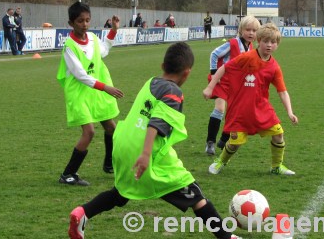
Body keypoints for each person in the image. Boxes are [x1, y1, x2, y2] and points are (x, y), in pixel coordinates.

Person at [68, 42, 241, 239]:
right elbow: (157, 123)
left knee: (121, 193)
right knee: (196, 197)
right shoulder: (173, 92)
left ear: (162, 66)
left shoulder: (151, 82)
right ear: (187, 73)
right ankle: (228, 237)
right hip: (146, 153)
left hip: (124, 144)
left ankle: (82, 213)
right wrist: (145, 154)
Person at [204, 23, 299, 176]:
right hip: (241, 109)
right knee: (235, 143)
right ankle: (221, 161)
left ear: (277, 45)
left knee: (278, 134)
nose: (269, 45)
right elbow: (224, 68)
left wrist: (290, 112)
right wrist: (210, 87)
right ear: (258, 41)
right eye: (265, 41)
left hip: (262, 109)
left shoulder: (274, 67)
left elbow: (282, 91)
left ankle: (276, 166)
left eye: (273, 42)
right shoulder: (246, 58)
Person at [56, 2, 124, 186]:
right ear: (71, 23)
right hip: (79, 93)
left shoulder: (93, 38)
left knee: (112, 128)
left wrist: (113, 30)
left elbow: (104, 51)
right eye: (80, 21)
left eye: (87, 20)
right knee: (89, 132)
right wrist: (106, 88)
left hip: (95, 92)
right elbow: (80, 75)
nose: (84, 24)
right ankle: (68, 174)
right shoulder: (69, 46)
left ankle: (109, 164)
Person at [204, 15, 260, 155]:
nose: (251, 33)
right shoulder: (233, 43)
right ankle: (210, 142)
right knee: (220, 109)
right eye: (248, 30)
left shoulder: (251, 47)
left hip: (236, 85)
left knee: (235, 112)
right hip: (222, 81)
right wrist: (213, 74)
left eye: (254, 30)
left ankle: (223, 139)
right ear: (241, 30)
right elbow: (214, 54)